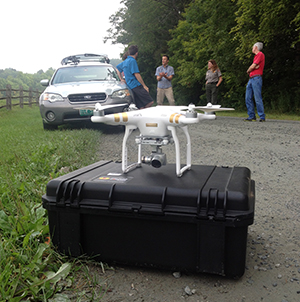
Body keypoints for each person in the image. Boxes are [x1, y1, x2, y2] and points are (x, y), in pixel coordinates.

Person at [116, 45, 154, 109]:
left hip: (130, 86)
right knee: (150, 102)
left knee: (140, 106)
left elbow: (117, 69)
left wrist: (121, 79)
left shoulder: (125, 61)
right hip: (136, 85)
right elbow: (136, 74)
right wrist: (144, 86)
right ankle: (145, 113)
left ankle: (141, 116)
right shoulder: (132, 61)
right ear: (136, 53)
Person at [244, 42, 266, 122]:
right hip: (251, 78)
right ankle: (251, 115)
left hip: (256, 78)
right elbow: (254, 66)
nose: (252, 48)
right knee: (248, 98)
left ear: (256, 47)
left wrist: (249, 69)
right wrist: (253, 68)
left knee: (257, 97)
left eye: (253, 47)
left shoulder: (260, 54)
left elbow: (253, 66)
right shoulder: (256, 56)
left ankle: (262, 116)